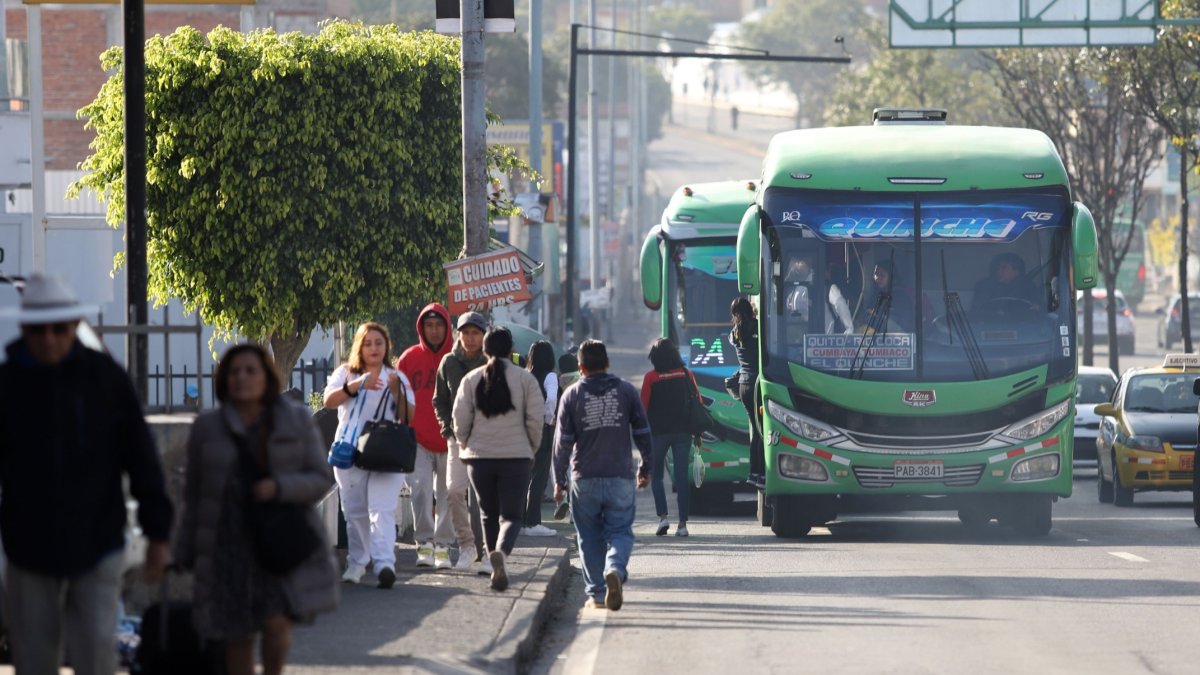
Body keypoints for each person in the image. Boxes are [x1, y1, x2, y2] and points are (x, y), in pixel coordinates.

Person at [0, 274, 173, 675]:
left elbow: (141, 458)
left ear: (73, 327)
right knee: (34, 658)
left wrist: (158, 534)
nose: (48, 339)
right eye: (38, 330)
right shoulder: (9, 384)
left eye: (58, 329)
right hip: (29, 546)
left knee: (95, 653)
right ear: (25, 328)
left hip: (98, 541)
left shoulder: (106, 379)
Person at [175, 344, 339, 675]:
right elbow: (192, 497)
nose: (242, 378)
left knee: (276, 626)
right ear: (223, 379)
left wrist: (280, 487)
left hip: (276, 541)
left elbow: (320, 478)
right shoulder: (208, 428)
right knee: (237, 635)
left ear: (266, 376)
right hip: (227, 545)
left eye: (251, 370)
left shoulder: (293, 419)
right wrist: (181, 550)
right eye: (234, 371)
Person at [553, 339, 653, 611]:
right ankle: (615, 569)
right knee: (620, 531)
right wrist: (645, 467)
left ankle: (597, 594)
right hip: (619, 476)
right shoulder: (625, 391)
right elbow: (643, 432)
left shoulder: (571, 395)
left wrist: (559, 481)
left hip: (583, 478)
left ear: (580, 367)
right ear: (607, 363)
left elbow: (563, 443)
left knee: (588, 537)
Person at [322, 322, 415, 588]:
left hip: (386, 453)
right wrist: (357, 385)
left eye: (378, 343)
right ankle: (357, 563)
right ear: (359, 346)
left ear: (386, 347)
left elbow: (410, 416)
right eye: (367, 343)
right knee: (354, 512)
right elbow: (329, 400)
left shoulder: (396, 377)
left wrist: (396, 390)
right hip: (350, 452)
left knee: (382, 509)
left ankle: (385, 564)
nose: (373, 348)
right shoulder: (346, 373)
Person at [452, 326, 544, 591]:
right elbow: (535, 419)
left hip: (479, 459)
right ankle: (501, 555)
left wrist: (466, 444)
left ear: (485, 349)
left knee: (487, 514)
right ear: (511, 349)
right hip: (516, 456)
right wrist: (531, 447)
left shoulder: (470, 379)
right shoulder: (526, 380)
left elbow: (459, 419)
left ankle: (493, 564)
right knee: (512, 516)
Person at [396, 304, 455, 569]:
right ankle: (424, 544)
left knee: (447, 495)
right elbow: (396, 399)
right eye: (429, 326)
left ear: (447, 327)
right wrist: (401, 429)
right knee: (419, 490)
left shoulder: (456, 357)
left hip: (451, 439)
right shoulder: (408, 358)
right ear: (421, 328)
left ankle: (443, 546)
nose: (433, 330)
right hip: (416, 439)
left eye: (438, 325)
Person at [432, 311, 489, 573]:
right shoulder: (448, 362)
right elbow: (439, 399)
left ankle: (487, 551)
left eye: (475, 333)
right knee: (454, 491)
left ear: (483, 335)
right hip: (457, 438)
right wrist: (446, 427)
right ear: (458, 334)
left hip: (488, 440)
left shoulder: (492, 362)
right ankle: (466, 546)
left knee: (485, 499)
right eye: (465, 332)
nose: (470, 338)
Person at [640, 338, 701, 537]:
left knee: (657, 477)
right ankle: (682, 524)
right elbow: (697, 403)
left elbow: (642, 409)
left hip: (658, 434)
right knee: (682, 478)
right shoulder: (686, 374)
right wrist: (698, 433)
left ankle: (663, 518)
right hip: (683, 433)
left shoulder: (651, 378)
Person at [523, 341, 559, 537]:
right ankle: (533, 521)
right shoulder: (550, 376)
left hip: (522, 430)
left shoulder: (524, 375)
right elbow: (551, 399)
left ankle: (519, 522)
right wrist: (548, 419)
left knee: (523, 476)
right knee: (539, 477)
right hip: (542, 430)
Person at [730, 296, 765, 489]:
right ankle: (760, 473)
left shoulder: (734, 333)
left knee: (755, 428)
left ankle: (754, 472)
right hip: (758, 383)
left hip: (743, 385)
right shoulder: (758, 327)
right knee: (761, 431)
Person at [973, 252, 1040, 311]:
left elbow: (1039, 308)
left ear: (1016, 271)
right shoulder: (985, 286)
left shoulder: (1029, 287)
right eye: (998, 267)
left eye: (1004, 267)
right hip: (991, 323)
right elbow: (977, 310)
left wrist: (1036, 307)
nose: (998, 271)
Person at [865, 260, 917, 332]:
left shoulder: (901, 296)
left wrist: (876, 314)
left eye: (882, 275)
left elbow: (900, 321)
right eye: (876, 275)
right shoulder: (876, 294)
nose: (878, 279)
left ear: (891, 277)